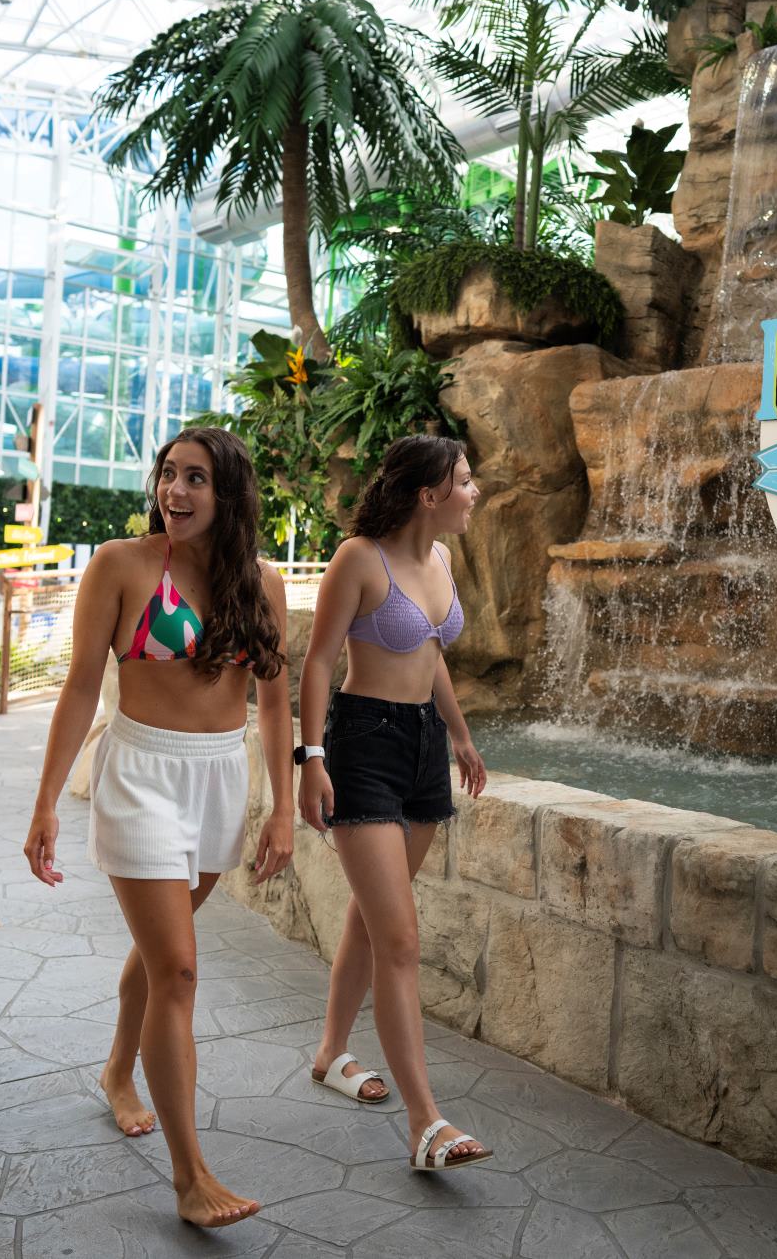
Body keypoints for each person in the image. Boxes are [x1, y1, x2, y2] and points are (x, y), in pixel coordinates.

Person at [21, 426, 297, 1228]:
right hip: (140, 773)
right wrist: (44, 800)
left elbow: (273, 703)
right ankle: (190, 1175)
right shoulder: (120, 564)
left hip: (219, 778)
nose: (175, 491)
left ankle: (118, 1069)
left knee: (157, 954)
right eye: (169, 474)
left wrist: (281, 803)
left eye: (197, 479)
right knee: (178, 969)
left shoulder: (263, 584)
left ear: (230, 494)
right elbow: (78, 688)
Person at [298, 434, 493, 1172]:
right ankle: (427, 1122)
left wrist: (461, 735)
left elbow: (432, 655)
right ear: (428, 492)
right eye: (465, 482)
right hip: (364, 744)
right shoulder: (359, 558)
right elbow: (318, 658)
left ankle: (328, 1052)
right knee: (401, 939)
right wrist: (310, 757)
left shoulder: (440, 559)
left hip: (422, 748)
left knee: (373, 913)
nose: (474, 493)